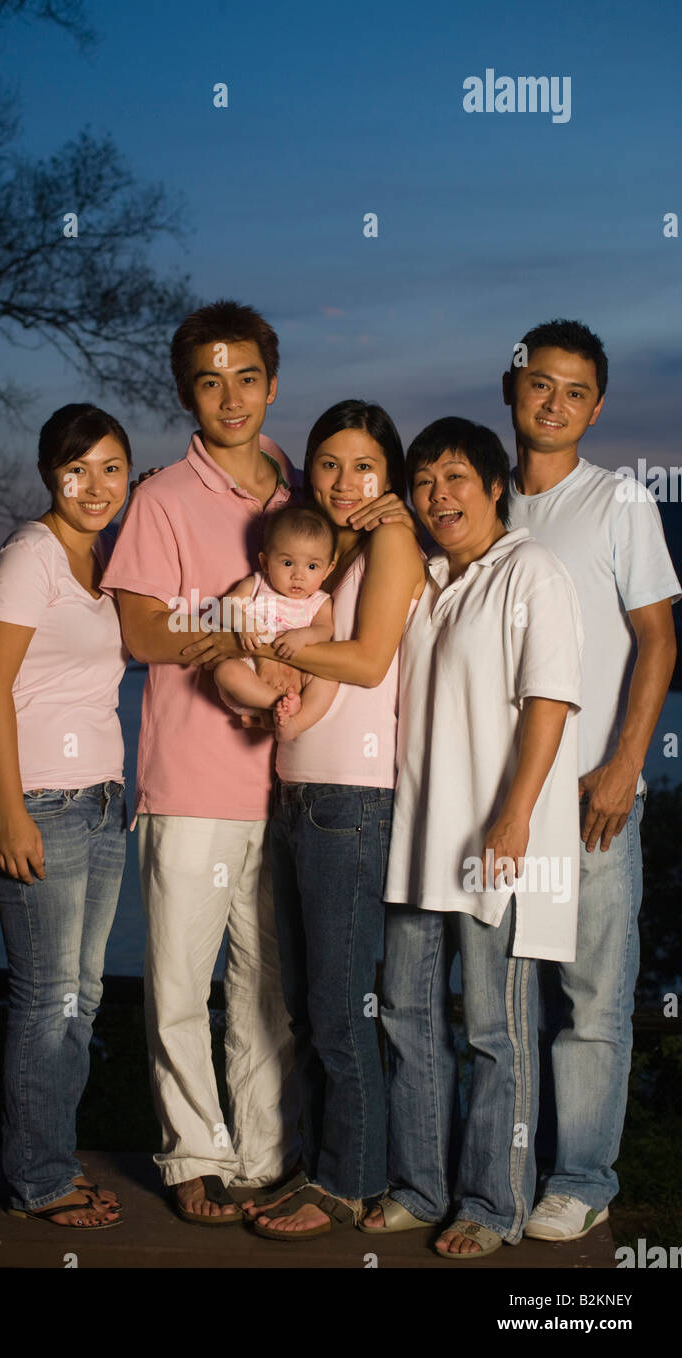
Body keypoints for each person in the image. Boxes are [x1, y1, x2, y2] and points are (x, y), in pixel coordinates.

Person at [100, 302, 404, 1223]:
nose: (228, 396)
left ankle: (267, 1157)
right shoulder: (159, 497)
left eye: (245, 378)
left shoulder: (298, 494)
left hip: (287, 790)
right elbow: (139, 628)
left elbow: (335, 603)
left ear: (271, 385)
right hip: (190, 782)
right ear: (185, 391)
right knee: (182, 987)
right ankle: (195, 1154)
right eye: (207, 378)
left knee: (269, 993)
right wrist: (229, 626)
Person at [371, 418, 584, 1258]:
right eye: (422, 481)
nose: (437, 496)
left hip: (492, 840)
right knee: (406, 1016)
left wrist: (513, 814)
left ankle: (492, 1203)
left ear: (494, 484)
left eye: (454, 477)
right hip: (417, 839)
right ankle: (422, 1188)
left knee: (495, 1033)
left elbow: (551, 699)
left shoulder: (530, 569)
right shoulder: (421, 579)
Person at [502, 320, 680, 1241]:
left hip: (588, 799)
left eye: (575, 391)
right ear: (512, 386)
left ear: (596, 406)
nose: (555, 403)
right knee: (498, 1004)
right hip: (499, 804)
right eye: (541, 384)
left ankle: (581, 1177)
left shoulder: (618, 503)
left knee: (591, 999)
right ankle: (505, 1173)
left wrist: (624, 764)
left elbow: (658, 638)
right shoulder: (483, 504)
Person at [231, 400, 425, 1239]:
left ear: (389, 473)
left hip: (350, 797)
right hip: (297, 790)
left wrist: (262, 652)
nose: (345, 482)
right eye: (330, 464)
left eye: (365, 466)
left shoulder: (389, 541)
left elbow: (367, 658)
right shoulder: (320, 548)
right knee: (310, 1003)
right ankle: (319, 1167)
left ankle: (348, 1182)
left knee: (341, 1004)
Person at [0, 403, 131, 1229]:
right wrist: (8, 810)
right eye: (78, 469)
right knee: (45, 998)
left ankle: (52, 1163)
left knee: (83, 997)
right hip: (39, 803)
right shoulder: (31, 554)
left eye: (110, 468)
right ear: (50, 476)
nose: (95, 485)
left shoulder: (97, 560)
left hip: (103, 803)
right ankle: (38, 1180)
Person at [213, 504, 338, 725]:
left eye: (312, 566)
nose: (298, 575)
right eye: (288, 563)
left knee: (328, 679)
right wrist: (242, 622)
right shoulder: (256, 584)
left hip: (300, 676)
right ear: (265, 562)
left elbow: (324, 630)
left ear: (328, 569)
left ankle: (297, 719)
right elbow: (224, 607)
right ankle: (275, 703)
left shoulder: (319, 602)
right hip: (255, 674)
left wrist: (303, 636)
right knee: (226, 672)